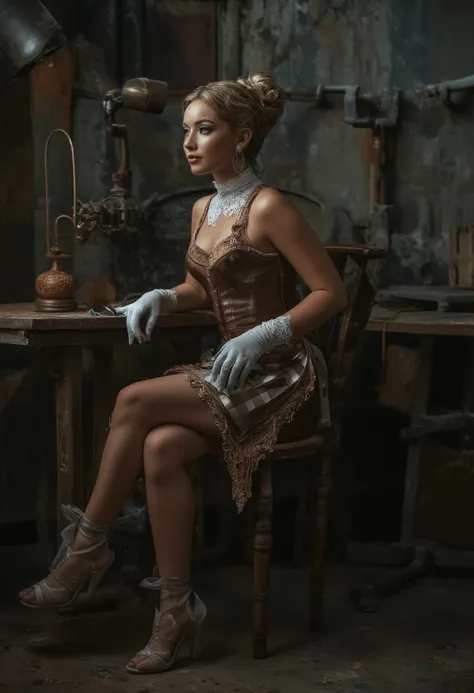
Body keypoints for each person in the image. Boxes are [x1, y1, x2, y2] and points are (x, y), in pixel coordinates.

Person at [19, 71, 347, 674]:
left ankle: (87, 548)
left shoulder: (270, 206)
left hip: (280, 374)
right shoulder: (202, 207)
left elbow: (330, 293)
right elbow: (204, 286)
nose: (189, 143)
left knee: (135, 400)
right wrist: (163, 298)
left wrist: (264, 332)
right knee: (163, 448)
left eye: (205, 129)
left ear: (241, 136)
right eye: (186, 131)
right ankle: (174, 613)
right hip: (232, 368)